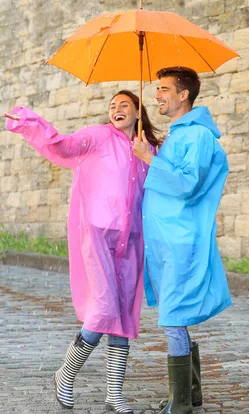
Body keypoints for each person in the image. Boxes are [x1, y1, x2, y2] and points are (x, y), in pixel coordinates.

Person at [4, 90, 159, 414]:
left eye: (124, 106)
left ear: (138, 112)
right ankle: (66, 373)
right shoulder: (98, 137)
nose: (116, 110)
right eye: (112, 106)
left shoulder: (148, 149)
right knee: (104, 309)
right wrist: (31, 123)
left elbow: (161, 188)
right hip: (99, 236)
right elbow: (63, 145)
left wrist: (153, 154)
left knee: (124, 317)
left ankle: (114, 395)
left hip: (130, 241)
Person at [133, 66, 231, 414]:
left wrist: (149, 160)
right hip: (165, 239)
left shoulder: (198, 137)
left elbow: (187, 184)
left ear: (183, 94)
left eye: (163, 89)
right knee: (174, 313)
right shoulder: (179, 134)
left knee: (173, 316)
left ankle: (182, 403)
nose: (157, 95)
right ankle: (189, 393)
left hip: (180, 239)